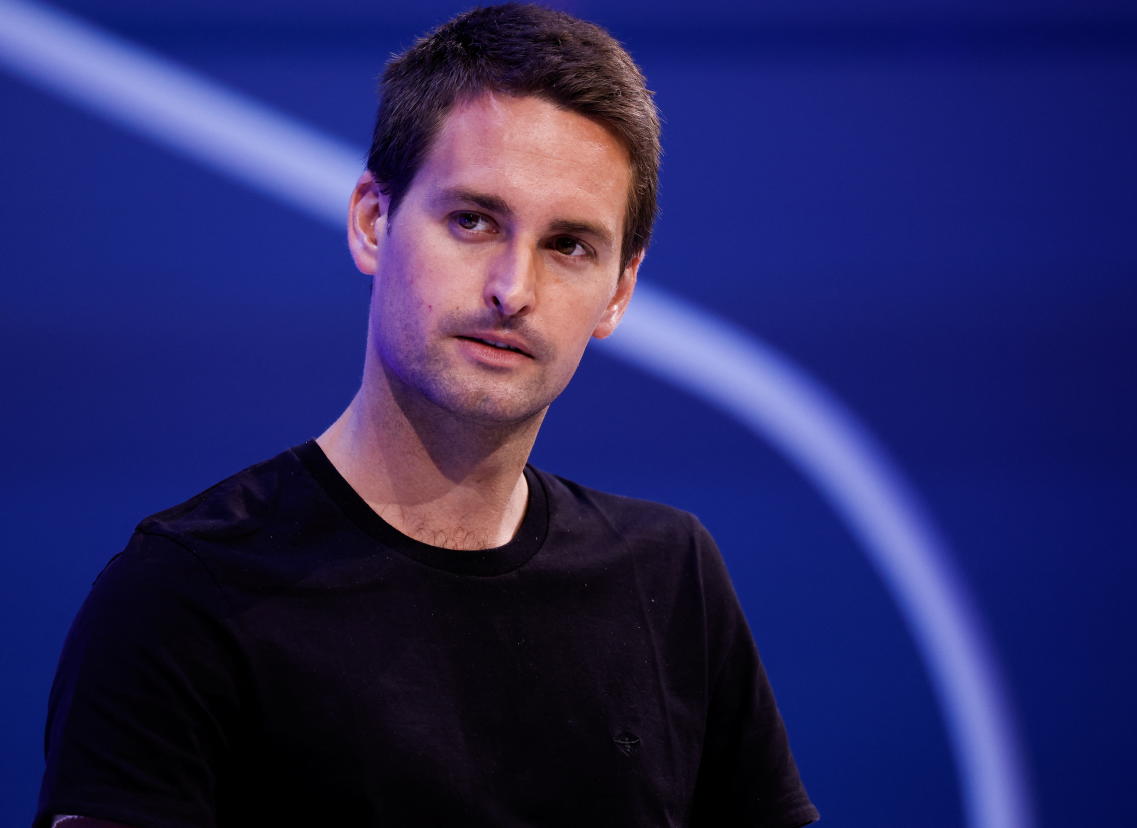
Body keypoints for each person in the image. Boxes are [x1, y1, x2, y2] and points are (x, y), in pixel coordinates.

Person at [35, 5, 819, 827]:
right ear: (374, 221)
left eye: (569, 246)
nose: (513, 289)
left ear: (619, 292)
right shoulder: (183, 597)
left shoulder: (672, 580)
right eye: (473, 221)